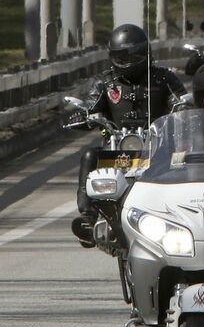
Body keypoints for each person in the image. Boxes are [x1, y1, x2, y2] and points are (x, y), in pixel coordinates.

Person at [73, 24, 186, 246]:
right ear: (112, 57)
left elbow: (180, 100)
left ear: (145, 53)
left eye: (133, 56)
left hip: (159, 147)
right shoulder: (106, 82)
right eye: (121, 57)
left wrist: (182, 110)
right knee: (88, 156)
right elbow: (91, 106)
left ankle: (185, 211)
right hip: (116, 147)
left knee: (184, 158)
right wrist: (84, 116)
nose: (127, 62)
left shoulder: (163, 78)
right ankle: (88, 217)